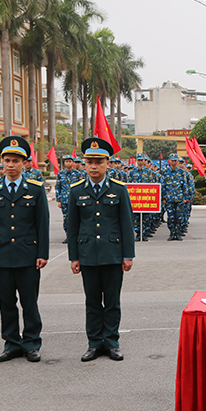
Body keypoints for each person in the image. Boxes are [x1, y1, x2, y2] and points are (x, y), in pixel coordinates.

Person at [0, 136, 50, 363]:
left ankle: (31, 343)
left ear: (25, 163)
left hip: (28, 256)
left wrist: (42, 253)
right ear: (1, 162)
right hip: (1, 256)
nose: (10, 165)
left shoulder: (36, 189)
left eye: (15, 160)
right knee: (6, 303)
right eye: (7, 160)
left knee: (29, 303)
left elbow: (42, 224)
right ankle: (11, 344)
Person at [67, 138, 135, 361]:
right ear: (84, 164)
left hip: (113, 255)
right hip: (87, 256)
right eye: (89, 162)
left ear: (108, 163)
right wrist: (74, 257)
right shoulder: (76, 191)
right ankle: (95, 343)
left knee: (112, 301)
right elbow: (73, 227)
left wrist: (128, 255)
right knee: (93, 302)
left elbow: (126, 224)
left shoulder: (118, 189)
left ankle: (112, 342)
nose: (94, 166)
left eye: (99, 162)